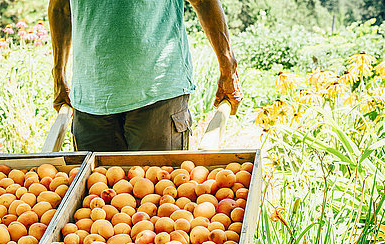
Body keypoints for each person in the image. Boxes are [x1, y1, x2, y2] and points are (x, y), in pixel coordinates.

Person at [48, 0, 243, 152]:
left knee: (159, 197)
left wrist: (228, 66)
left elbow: (202, 2)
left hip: (158, 93)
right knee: (97, 199)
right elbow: (61, 7)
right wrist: (58, 74)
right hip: (91, 99)